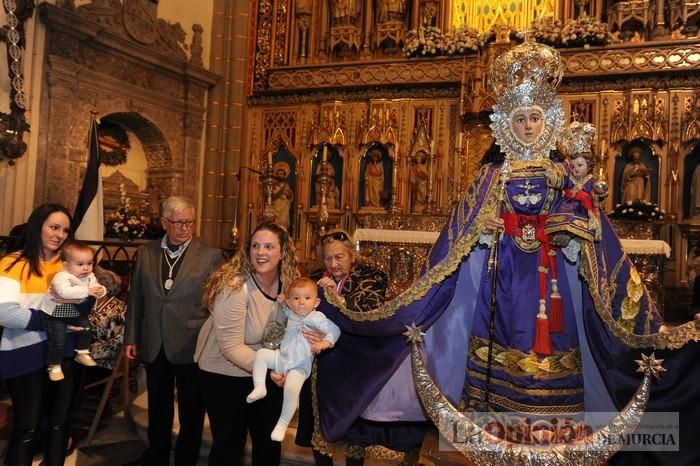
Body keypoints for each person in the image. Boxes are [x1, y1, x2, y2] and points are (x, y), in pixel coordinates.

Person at [308, 41, 700, 466]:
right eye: (520, 119)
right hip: (502, 282)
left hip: (550, 285)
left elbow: (590, 227)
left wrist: (571, 234)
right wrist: (479, 231)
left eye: (535, 118)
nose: (528, 127)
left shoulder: (562, 173)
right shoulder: (491, 176)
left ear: (548, 122)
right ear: (506, 125)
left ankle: (553, 437)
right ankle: (496, 437)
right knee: (498, 359)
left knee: (551, 358)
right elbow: (459, 232)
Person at [124, 196, 223, 466]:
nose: (185, 228)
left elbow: (217, 303)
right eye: (178, 223)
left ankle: (186, 459)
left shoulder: (210, 255)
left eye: (190, 223)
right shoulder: (146, 252)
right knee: (158, 405)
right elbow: (137, 298)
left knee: (192, 408)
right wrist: (131, 337)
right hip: (154, 339)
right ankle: (156, 455)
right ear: (164, 223)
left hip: (191, 342)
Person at [195, 222, 299, 466]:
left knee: (269, 444)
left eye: (268, 246)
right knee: (229, 448)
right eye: (255, 246)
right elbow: (230, 346)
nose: (260, 252)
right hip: (224, 374)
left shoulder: (288, 284)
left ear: (282, 252)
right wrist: (273, 369)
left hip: (264, 370)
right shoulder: (235, 287)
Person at [295, 229, 389, 466]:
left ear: (351, 255)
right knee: (319, 427)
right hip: (319, 364)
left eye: (339, 257)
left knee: (352, 430)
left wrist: (336, 299)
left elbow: (370, 313)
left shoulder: (372, 277)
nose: (333, 264)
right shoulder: (314, 277)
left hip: (352, 363)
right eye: (328, 258)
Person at [0, 203, 79, 466]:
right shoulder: (13, 263)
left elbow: (81, 307)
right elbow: (5, 313)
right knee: (28, 428)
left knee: (60, 425)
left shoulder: (69, 267)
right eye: (54, 227)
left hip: (64, 352)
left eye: (65, 230)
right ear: (38, 227)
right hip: (24, 352)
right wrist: (51, 320)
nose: (60, 235)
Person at [246, 277, 340, 442]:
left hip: (299, 366)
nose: (301, 303)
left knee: (290, 390)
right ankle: (260, 387)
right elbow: (286, 311)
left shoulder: (317, 317)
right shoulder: (292, 314)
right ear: (291, 301)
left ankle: (282, 423)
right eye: (296, 298)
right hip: (281, 359)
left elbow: (335, 329)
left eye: (307, 298)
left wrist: (325, 342)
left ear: (316, 302)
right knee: (261, 354)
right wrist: (283, 303)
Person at [40, 239, 106, 381]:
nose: (86, 268)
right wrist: (87, 291)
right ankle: (54, 365)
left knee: (86, 328)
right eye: (80, 264)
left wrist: (102, 290)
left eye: (89, 263)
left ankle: (82, 352)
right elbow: (64, 293)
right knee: (58, 339)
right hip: (54, 314)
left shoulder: (89, 276)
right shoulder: (61, 276)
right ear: (66, 265)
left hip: (74, 312)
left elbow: (97, 287)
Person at [271, 161, 294, 230]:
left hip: (284, 209)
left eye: (282, 174)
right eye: (279, 174)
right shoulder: (274, 185)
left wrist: (289, 195)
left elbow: (290, 197)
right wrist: (280, 192)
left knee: (283, 224)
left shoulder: (287, 186)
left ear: (284, 175)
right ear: (276, 175)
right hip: (275, 208)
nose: (280, 176)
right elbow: (272, 197)